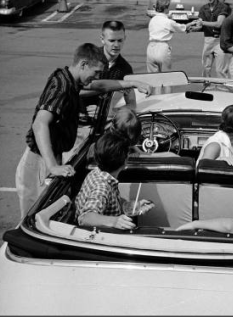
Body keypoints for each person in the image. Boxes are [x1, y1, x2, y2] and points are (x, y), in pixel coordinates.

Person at [15, 43, 150, 219]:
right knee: (35, 216)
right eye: (95, 72)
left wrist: (132, 83)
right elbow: (40, 124)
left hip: (51, 155)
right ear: (83, 64)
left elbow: (100, 86)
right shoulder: (61, 87)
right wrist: (53, 166)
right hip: (38, 161)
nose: (95, 77)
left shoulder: (71, 81)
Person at [75, 130, 154, 230]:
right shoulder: (102, 187)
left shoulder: (96, 172)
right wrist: (114, 221)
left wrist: (134, 206)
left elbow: (111, 204)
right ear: (125, 162)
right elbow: (85, 218)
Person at [79, 20, 134, 124]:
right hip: (79, 122)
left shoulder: (125, 69)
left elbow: (131, 103)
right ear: (102, 39)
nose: (116, 45)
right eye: (112, 40)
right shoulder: (89, 59)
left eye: (120, 40)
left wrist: (111, 112)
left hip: (103, 123)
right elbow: (75, 90)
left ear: (125, 39)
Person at [186, 0, 230, 78]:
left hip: (220, 41)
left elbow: (219, 24)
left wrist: (202, 22)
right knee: (206, 68)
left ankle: (223, 88)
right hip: (208, 40)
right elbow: (200, 26)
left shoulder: (223, 7)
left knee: (220, 69)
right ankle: (206, 87)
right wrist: (193, 29)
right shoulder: (203, 8)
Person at [146, 0, 187, 73]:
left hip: (150, 48)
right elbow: (182, 28)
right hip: (162, 48)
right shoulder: (168, 22)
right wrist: (191, 24)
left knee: (152, 78)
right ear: (165, 9)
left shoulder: (152, 20)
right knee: (166, 78)